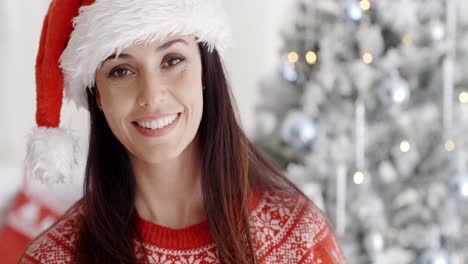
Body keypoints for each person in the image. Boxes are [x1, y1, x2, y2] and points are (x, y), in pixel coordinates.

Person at [18, 0, 345, 263]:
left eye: (172, 59)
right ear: (98, 95)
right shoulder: (54, 257)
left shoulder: (301, 240)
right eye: (121, 70)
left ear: (205, 69)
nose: (151, 95)